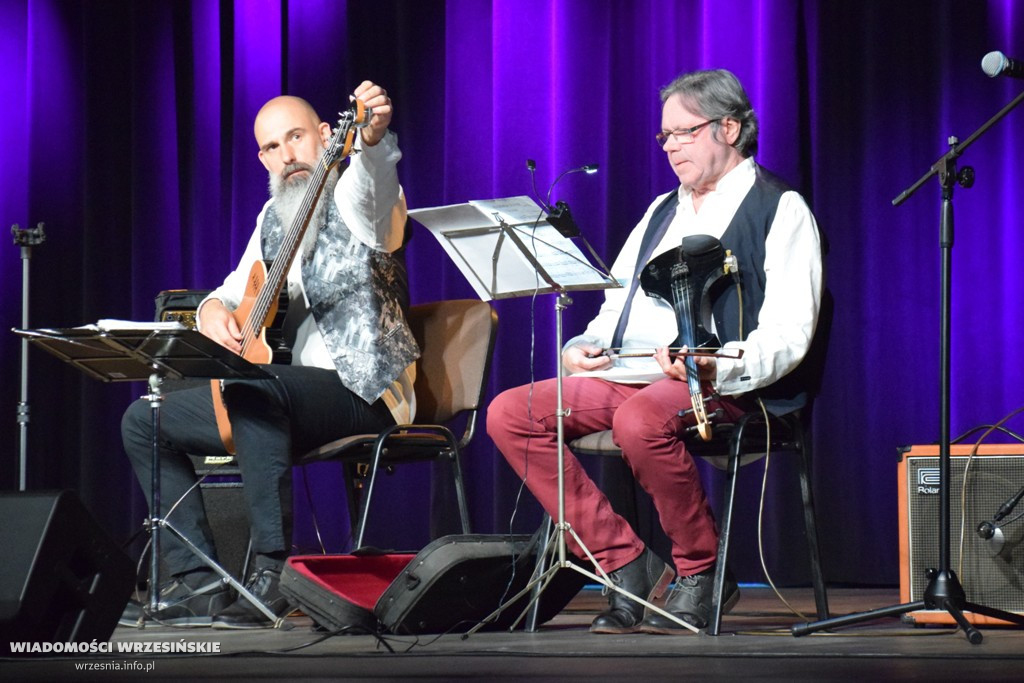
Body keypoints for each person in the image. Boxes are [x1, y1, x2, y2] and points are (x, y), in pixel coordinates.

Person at [487, 69, 824, 634]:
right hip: (634, 372)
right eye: (663, 136)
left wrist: (716, 361)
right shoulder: (660, 211)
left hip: (729, 382)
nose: (669, 147)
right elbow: (610, 310)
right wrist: (583, 346)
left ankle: (702, 569)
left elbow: (791, 333)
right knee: (511, 413)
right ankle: (628, 564)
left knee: (639, 420)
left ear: (730, 128)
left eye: (683, 133)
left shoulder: (779, 208)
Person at [120, 82, 418, 629]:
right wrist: (212, 312)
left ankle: (271, 571)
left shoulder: (358, 195)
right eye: (272, 147)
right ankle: (197, 577)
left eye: (297, 138)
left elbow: (375, 193)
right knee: (145, 419)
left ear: (327, 136)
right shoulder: (271, 217)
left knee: (254, 388)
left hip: (365, 390)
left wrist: (373, 141)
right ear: (262, 158)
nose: (288, 155)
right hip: (285, 397)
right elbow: (231, 290)